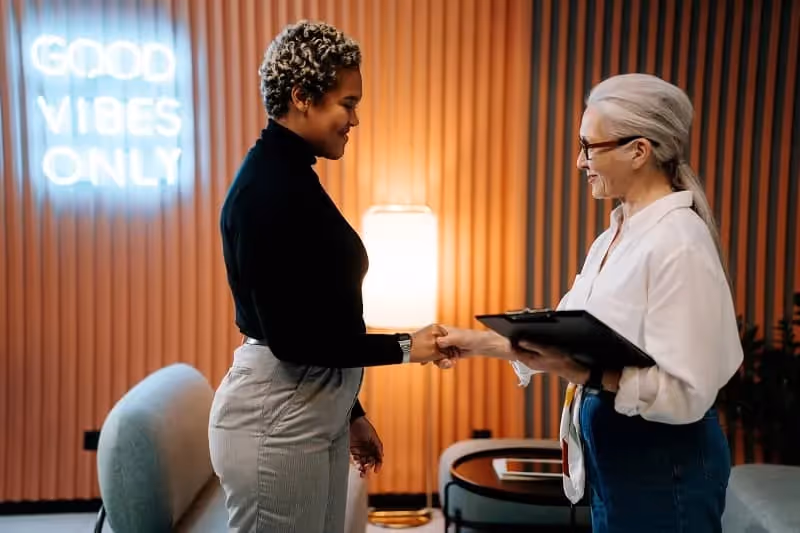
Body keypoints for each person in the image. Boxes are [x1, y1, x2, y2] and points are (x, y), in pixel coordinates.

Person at [437, 73, 743, 532]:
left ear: (638, 151)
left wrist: (588, 374)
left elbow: (687, 392)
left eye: (588, 146)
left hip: (664, 469)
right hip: (616, 463)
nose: (580, 161)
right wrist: (475, 342)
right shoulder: (614, 237)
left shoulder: (680, 243)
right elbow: (564, 337)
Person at [209, 21, 453, 533]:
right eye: (348, 103)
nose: (355, 119)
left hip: (307, 404)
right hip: (276, 417)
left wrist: (350, 410)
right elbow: (294, 339)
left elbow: (320, 312)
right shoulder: (266, 191)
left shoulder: (292, 176)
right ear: (302, 97)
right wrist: (406, 347)